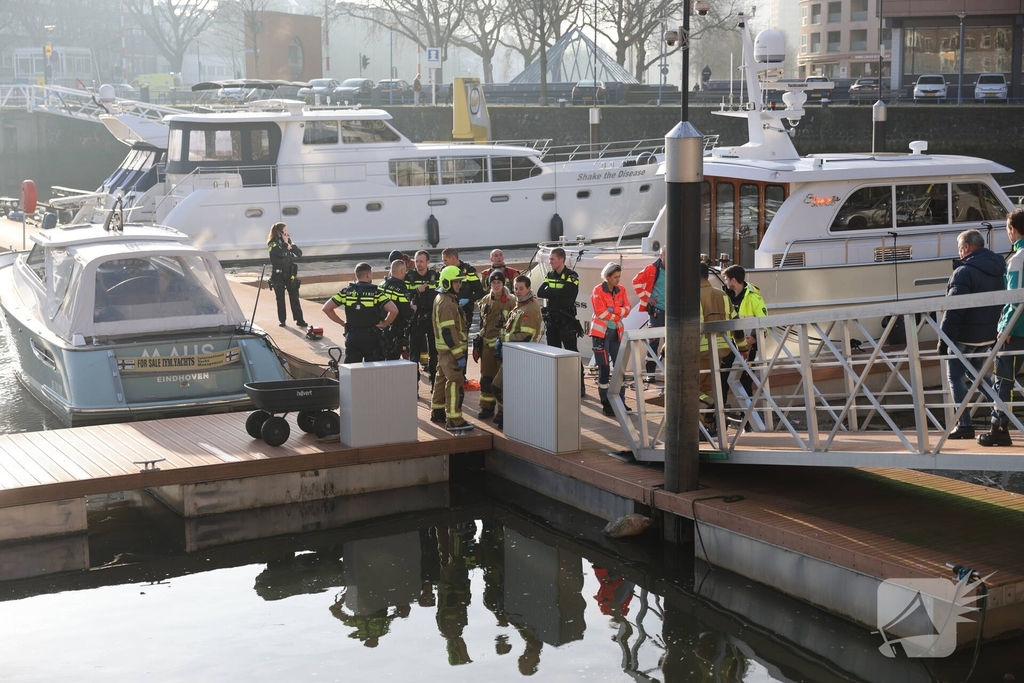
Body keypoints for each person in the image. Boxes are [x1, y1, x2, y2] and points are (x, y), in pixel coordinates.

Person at [938, 229, 1005, 440]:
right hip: (988, 334)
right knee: (976, 373)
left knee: (955, 377)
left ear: (966, 247)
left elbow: (954, 310)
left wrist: (943, 339)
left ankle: (964, 424)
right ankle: (1001, 411)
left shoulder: (963, 272)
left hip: (965, 336)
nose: (959, 253)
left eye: (960, 249)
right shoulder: (999, 268)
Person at [979, 210, 1024, 447]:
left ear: (1013, 230)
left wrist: (1005, 328)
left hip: (1017, 331)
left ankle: (999, 428)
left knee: (1003, 380)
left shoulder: (1017, 259)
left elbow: (1014, 299)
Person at [491, 275, 543, 428]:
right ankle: (504, 413)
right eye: (516, 288)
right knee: (502, 387)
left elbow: (526, 336)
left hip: (520, 355)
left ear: (529, 288)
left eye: (521, 289)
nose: (518, 292)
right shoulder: (521, 304)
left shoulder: (530, 308)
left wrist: (503, 339)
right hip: (512, 353)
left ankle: (508, 415)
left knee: (498, 386)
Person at [322, 262, 398, 363]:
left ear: (356, 275)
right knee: (373, 369)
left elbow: (326, 308)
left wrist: (342, 323)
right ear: (368, 275)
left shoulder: (346, 292)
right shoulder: (376, 293)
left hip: (353, 336)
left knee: (352, 369)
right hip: (372, 337)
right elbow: (394, 310)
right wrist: (385, 323)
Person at [719, 264, 768, 409]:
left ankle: (747, 416)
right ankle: (720, 414)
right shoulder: (725, 296)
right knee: (722, 378)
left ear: (733, 280)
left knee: (745, 380)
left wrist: (754, 339)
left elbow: (765, 323)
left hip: (746, 347)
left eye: (726, 279)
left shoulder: (754, 298)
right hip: (728, 345)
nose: (725, 282)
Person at [537, 247, 584, 396]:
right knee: (553, 352)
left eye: (552, 259)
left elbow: (569, 294)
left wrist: (552, 293)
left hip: (566, 321)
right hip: (552, 320)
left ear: (561, 260)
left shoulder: (572, 275)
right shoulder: (550, 275)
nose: (549, 262)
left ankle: (580, 384)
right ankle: (558, 384)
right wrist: (558, 294)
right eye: (549, 259)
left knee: (572, 352)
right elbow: (540, 292)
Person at [699, 261, 739, 436]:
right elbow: (735, 323)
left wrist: (668, 347)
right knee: (707, 390)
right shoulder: (723, 295)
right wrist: (742, 348)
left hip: (698, 352)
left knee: (688, 389)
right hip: (721, 352)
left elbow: (691, 327)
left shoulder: (693, 297)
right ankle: (707, 428)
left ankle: (712, 407)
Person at [432, 265, 473, 430]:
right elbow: (449, 331)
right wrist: (459, 355)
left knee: (441, 378)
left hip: (443, 350)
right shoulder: (447, 302)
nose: (459, 285)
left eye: (460, 282)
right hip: (451, 351)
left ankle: (438, 411)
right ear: (447, 282)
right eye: (456, 282)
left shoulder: (442, 297)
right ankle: (455, 420)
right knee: (455, 380)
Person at [590, 263, 632, 416]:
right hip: (601, 335)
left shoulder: (622, 290)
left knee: (619, 368)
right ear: (607, 277)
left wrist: (614, 310)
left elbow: (628, 309)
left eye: (619, 277)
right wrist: (618, 314)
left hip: (616, 334)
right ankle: (606, 403)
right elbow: (600, 313)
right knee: (604, 369)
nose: (618, 280)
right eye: (615, 277)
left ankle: (620, 401)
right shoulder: (597, 290)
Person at [475, 271, 516, 420]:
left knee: (502, 380)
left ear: (503, 284)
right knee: (486, 377)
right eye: (493, 283)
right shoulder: (485, 300)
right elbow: (483, 322)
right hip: (487, 345)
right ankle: (486, 407)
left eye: (499, 283)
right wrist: (478, 342)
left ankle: (503, 411)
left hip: (502, 346)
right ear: (490, 284)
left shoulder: (511, 301)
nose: (496, 285)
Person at [632, 245, 666, 382]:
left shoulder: (677, 269)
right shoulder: (651, 268)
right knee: (654, 342)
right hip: (657, 310)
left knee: (671, 342)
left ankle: (668, 372)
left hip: (672, 311)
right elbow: (636, 282)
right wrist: (647, 299)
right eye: (666, 255)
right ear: (661, 256)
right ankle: (650, 374)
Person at [406, 250, 439, 387]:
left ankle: (434, 384)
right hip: (416, 319)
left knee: (434, 353)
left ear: (428, 262)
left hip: (432, 318)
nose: (418, 264)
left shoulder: (435, 276)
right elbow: (404, 295)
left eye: (421, 261)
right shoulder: (409, 277)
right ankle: (414, 386)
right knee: (414, 355)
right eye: (416, 261)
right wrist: (416, 291)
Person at [266, 222, 306, 327]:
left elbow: (299, 253)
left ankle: (300, 320)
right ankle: (282, 320)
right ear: (279, 232)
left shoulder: (289, 241)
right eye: (285, 231)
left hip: (290, 273)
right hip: (278, 274)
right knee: (280, 299)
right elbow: (280, 254)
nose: (287, 233)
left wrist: (290, 245)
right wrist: (284, 245)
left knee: (294, 297)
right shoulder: (272, 244)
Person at [381, 259, 415, 361]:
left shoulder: (381, 286)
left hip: (381, 327)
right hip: (395, 330)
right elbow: (407, 313)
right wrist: (413, 308)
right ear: (402, 271)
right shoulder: (401, 290)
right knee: (393, 359)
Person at [441, 246, 483, 324]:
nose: (444, 263)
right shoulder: (444, 271)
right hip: (448, 309)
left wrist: (468, 300)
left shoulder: (469, 270)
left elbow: (479, 292)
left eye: (445, 260)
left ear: (453, 258)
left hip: (465, 310)